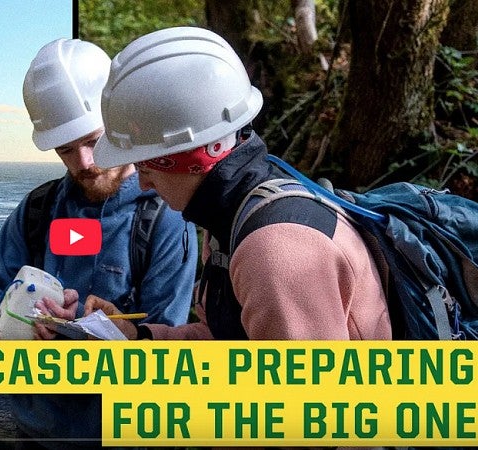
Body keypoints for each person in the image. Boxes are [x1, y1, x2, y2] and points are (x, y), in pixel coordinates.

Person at [0, 38, 197, 448]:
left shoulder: (165, 219)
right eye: (66, 149)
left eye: (92, 141)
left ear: (121, 126)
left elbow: (169, 354)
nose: (84, 162)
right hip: (32, 435)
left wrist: (112, 336)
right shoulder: (36, 210)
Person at [86, 26, 392, 341]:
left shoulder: (273, 251)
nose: (145, 184)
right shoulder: (236, 215)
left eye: (146, 167)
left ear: (192, 158)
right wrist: (137, 339)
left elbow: (309, 387)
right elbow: (228, 341)